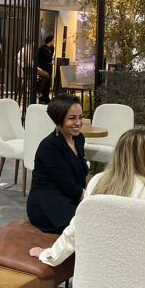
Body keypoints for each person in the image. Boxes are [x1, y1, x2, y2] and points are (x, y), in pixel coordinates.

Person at [29, 129, 145, 265]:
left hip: (92, 273)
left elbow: (76, 228)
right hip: (134, 274)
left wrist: (50, 255)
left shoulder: (98, 181)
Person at [26, 94, 88, 234]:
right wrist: (89, 200)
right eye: (72, 118)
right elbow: (66, 182)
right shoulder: (49, 146)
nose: (78, 123)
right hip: (47, 202)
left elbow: (81, 173)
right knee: (86, 225)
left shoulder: (79, 139)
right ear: (59, 119)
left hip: (70, 196)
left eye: (80, 117)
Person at [35, 34, 55, 103]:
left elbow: (51, 57)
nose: (54, 41)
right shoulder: (41, 48)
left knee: (48, 82)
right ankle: (41, 97)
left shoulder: (52, 48)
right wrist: (38, 67)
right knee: (43, 80)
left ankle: (46, 97)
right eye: (53, 40)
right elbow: (37, 58)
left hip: (49, 66)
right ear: (50, 41)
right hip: (42, 66)